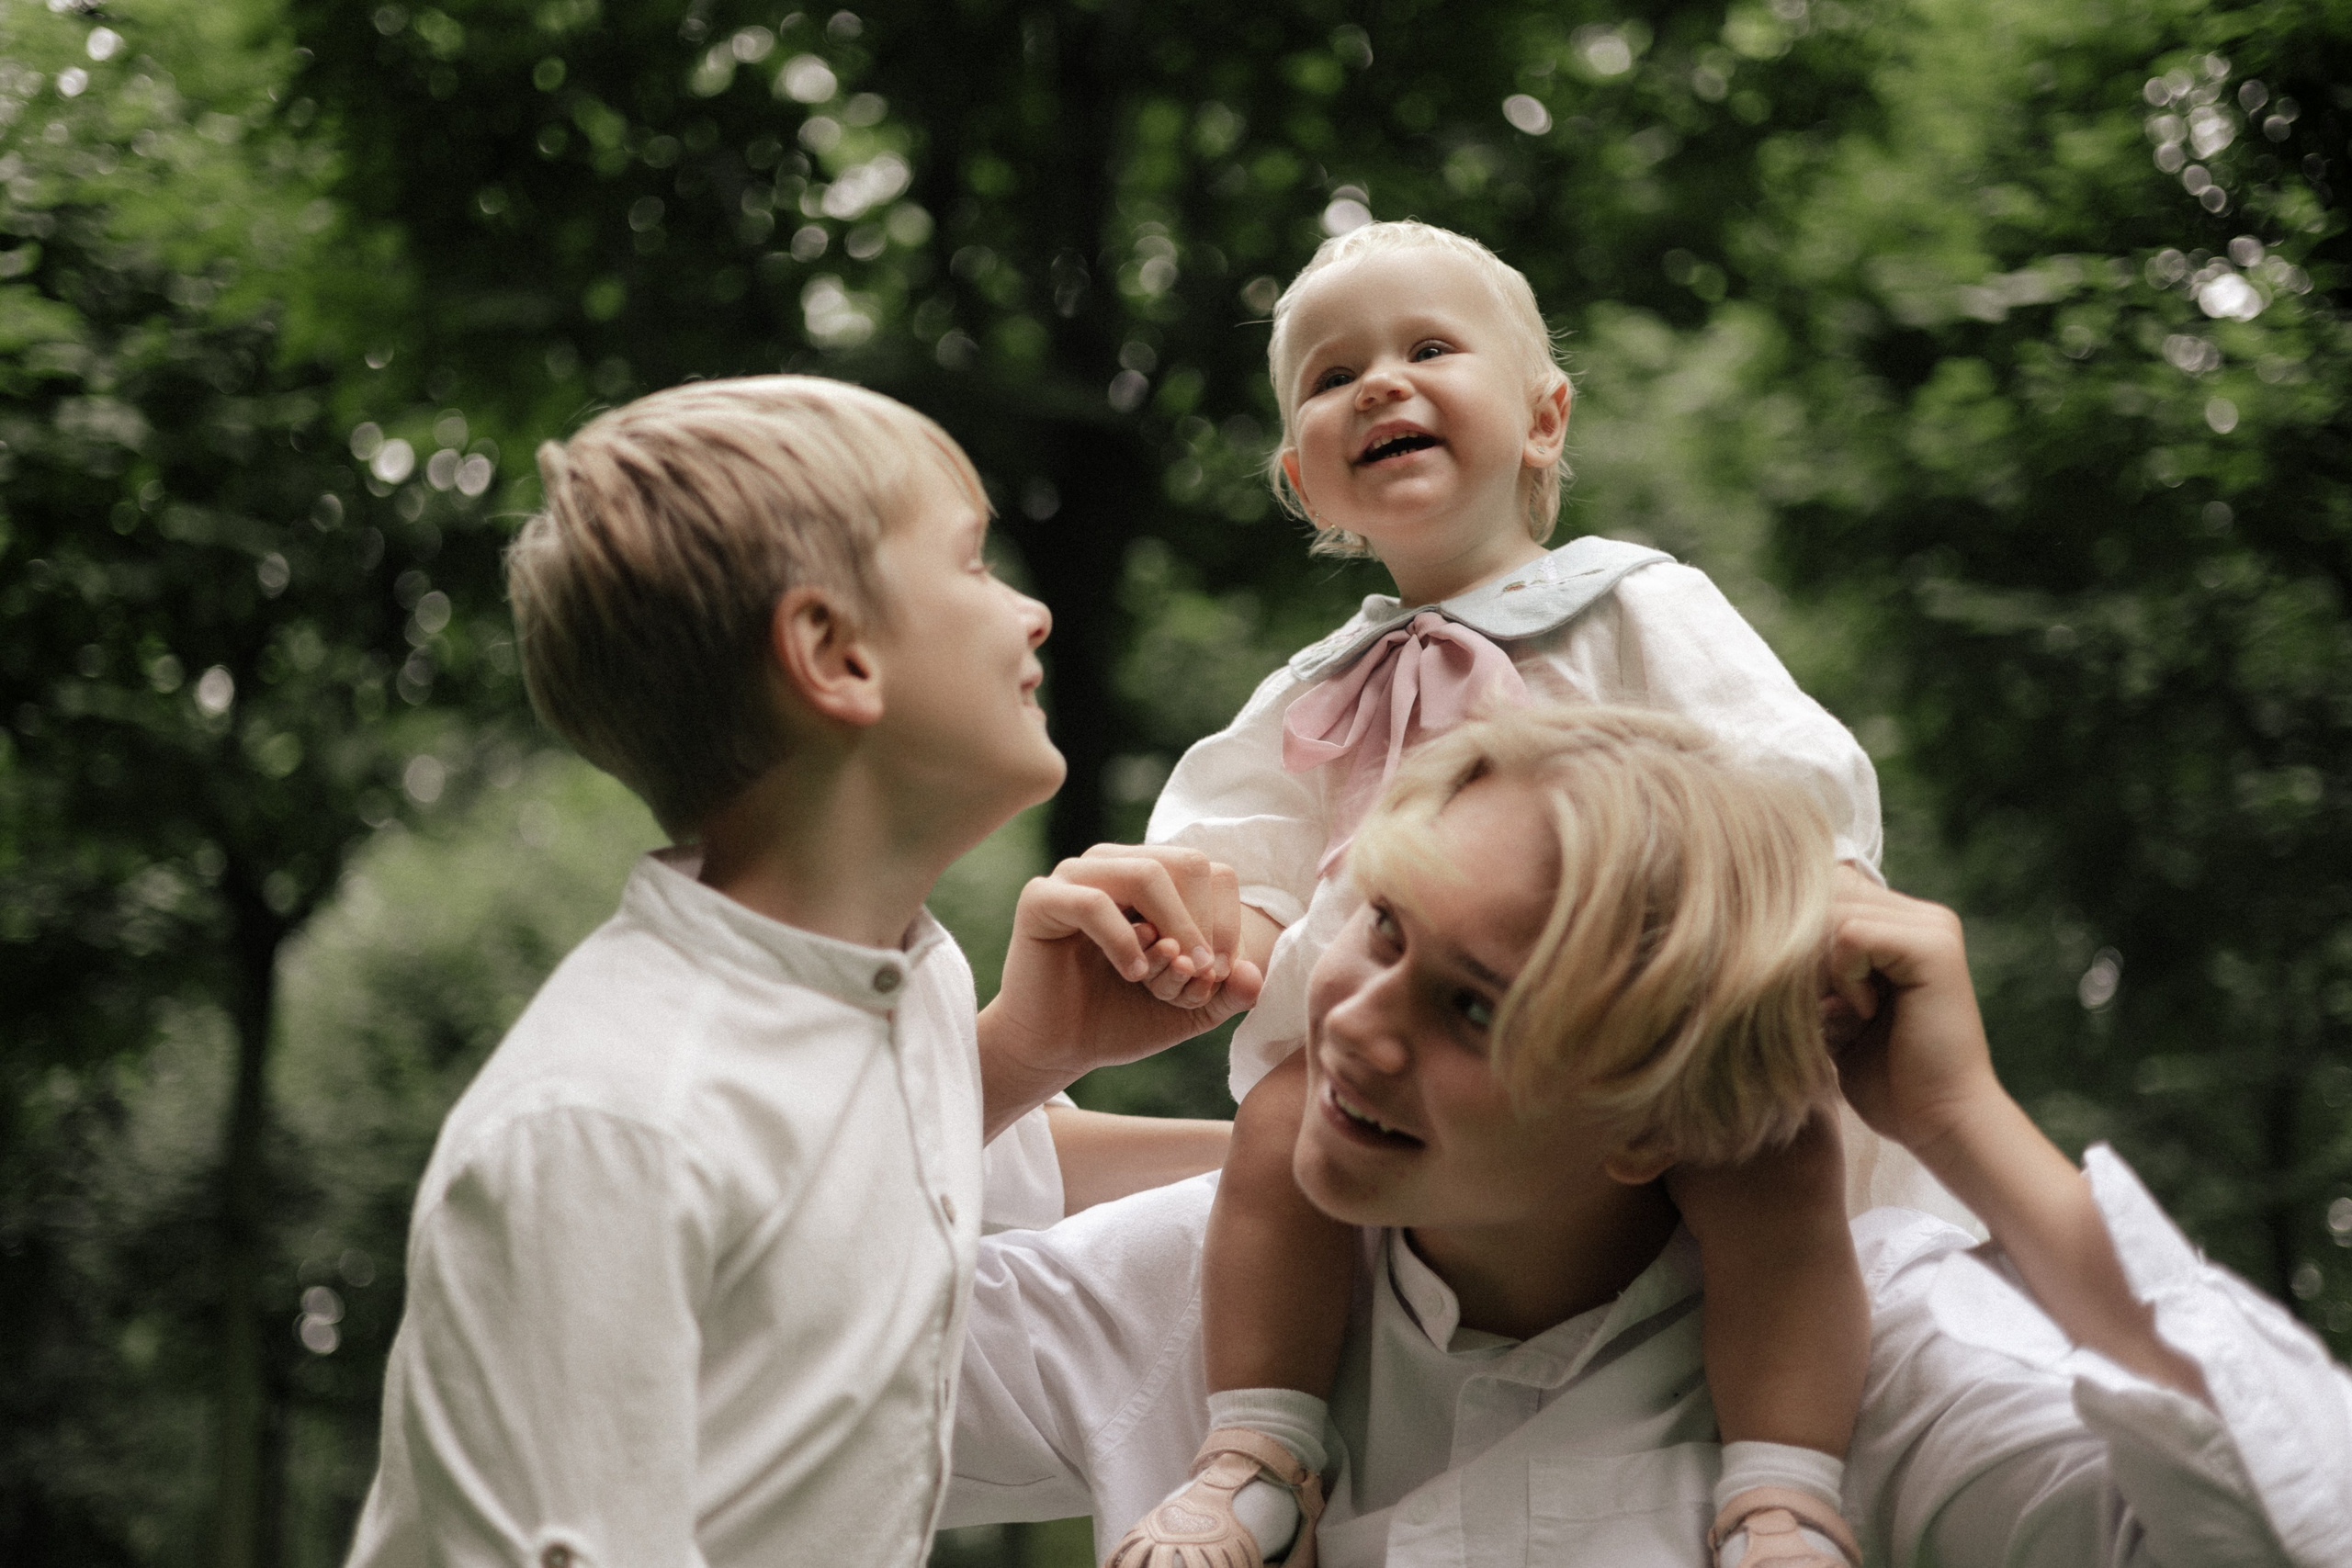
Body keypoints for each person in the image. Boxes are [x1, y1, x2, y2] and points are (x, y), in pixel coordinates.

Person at [944, 706, 2352, 1567]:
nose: (1360, 1027)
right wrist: (1008, 1062)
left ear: (1654, 1119)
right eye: (1383, 929)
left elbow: (2299, 1533)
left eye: (1478, 1008)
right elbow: (752, 1367)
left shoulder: (1881, 1356)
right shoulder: (1185, 1286)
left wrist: (1960, 1120)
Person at [1057, 220, 1917, 1568]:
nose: (1381, 385)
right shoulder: (1310, 688)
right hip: (1389, 1031)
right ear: (1304, 480)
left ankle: (1782, 1489)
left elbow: (1777, 759)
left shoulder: (1633, 601)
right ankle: (1261, 1447)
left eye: (1430, 348)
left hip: (1613, 1015)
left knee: (1772, 1151)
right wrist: (1224, 932)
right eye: (1334, 378)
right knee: (1281, 1129)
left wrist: (1826, 894)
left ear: (1542, 415)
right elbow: (1237, 838)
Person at [343, 376, 1257, 1568]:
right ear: (834, 656)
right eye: (975, 565)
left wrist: (1036, 1059)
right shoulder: (607, 1130)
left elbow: (908, 1174)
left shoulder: (895, 976)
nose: (1032, 613)